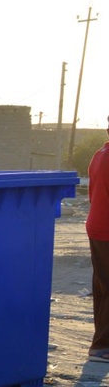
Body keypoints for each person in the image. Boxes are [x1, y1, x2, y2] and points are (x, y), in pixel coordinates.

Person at [86, 119, 109, 363]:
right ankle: (102, 346)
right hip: (106, 228)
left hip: (97, 224)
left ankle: (102, 343)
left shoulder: (100, 154)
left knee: (103, 287)